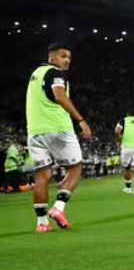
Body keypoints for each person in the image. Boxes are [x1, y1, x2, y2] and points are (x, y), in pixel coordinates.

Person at [25, 42, 93, 231]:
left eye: (69, 58)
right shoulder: (55, 73)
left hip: (35, 132)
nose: (67, 61)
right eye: (63, 56)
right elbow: (60, 96)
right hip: (57, 128)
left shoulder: (35, 74)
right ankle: (58, 208)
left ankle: (42, 224)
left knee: (42, 177)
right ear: (52, 57)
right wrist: (81, 120)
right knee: (75, 168)